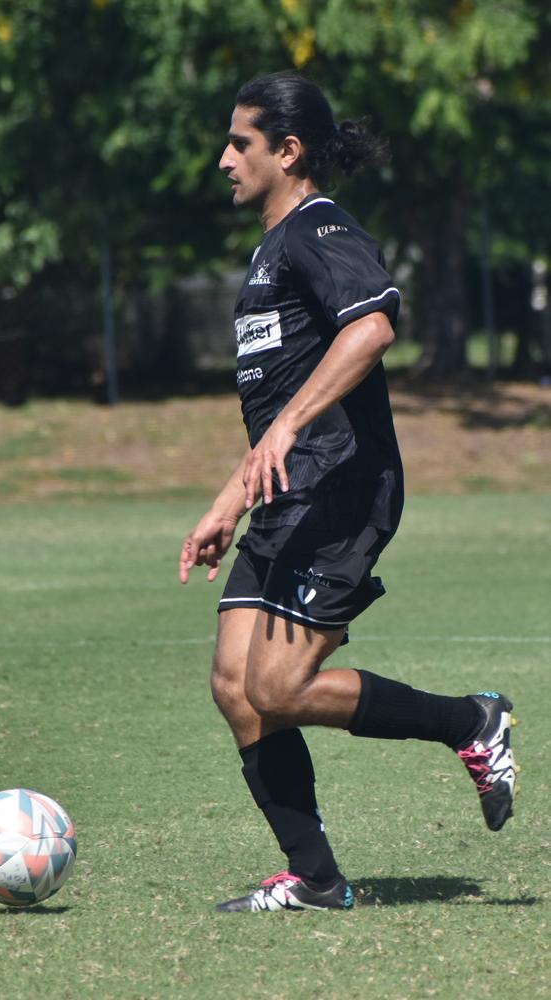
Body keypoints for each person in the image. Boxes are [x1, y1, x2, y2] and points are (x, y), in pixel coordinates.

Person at [179, 71, 516, 913]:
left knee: (280, 689)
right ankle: (316, 878)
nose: (223, 159)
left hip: (342, 485)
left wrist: (289, 429)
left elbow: (373, 325)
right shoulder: (266, 253)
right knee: (234, 684)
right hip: (287, 495)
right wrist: (228, 501)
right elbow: (279, 408)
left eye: (240, 143)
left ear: (287, 152)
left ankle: (470, 723)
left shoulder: (317, 226)